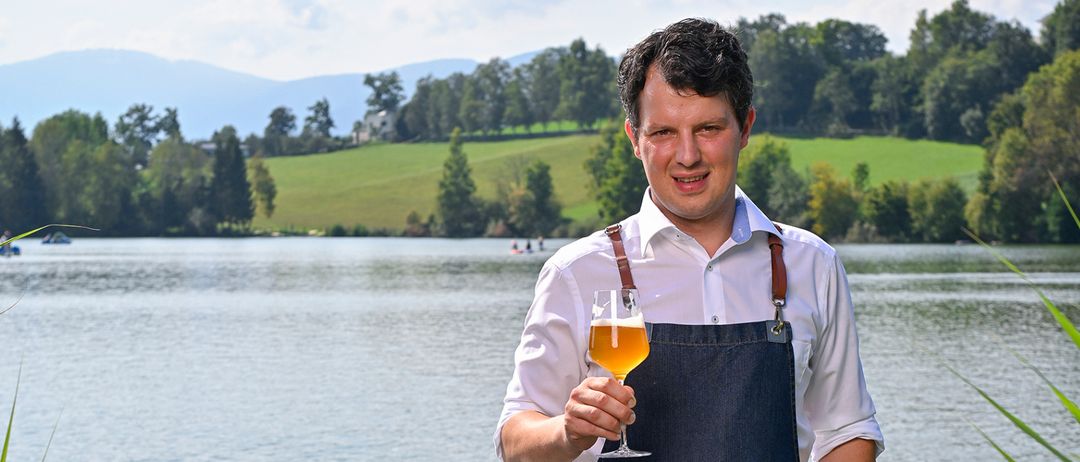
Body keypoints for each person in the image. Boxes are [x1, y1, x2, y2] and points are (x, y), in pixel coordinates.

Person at [496, 18, 883, 462]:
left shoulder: (812, 264)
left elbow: (848, 432)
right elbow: (515, 443)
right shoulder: (576, 272)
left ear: (746, 128)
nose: (687, 156)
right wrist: (566, 433)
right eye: (662, 132)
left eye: (708, 129)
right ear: (635, 140)